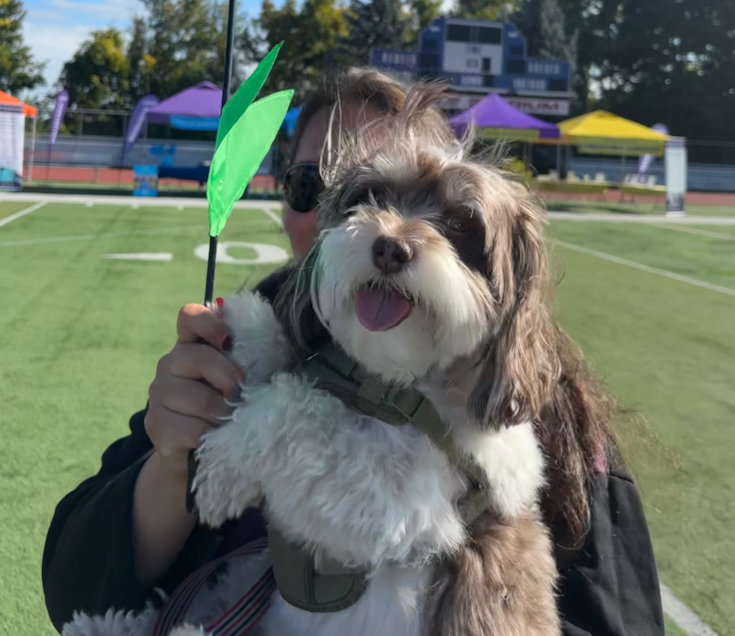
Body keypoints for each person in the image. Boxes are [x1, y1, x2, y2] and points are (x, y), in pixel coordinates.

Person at [42, 69, 665, 636]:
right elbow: (77, 589)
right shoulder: (238, 342)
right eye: (314, 185)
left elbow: (615, 620)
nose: (376, 230)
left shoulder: (540, 408)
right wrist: (173, 459)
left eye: (432, 208)